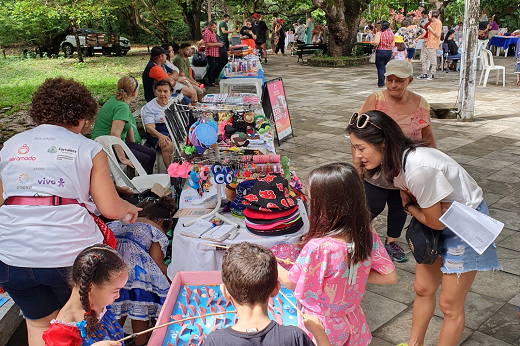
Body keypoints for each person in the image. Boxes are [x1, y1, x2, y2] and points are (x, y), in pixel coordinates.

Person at [0, 78, 139, 346]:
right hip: (68, 257)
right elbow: (110, 208)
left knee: (39, 326)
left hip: (11, 256)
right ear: (82, 117)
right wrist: (129, 208)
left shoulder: (10, 146)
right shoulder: (88, 148)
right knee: (76, 326)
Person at [346, 110, 501, 346]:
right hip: (433, 215)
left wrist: (409, 206)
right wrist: (412, 204)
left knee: (449, 305)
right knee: (422, 289)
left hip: (464, 224)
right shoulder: (395, 161)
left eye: (361, 148)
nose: (357, 156)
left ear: (384, 144)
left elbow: (434, 219)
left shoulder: (418, 167)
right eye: (353, 148)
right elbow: (408, 195)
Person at [277, 163, 397, 346]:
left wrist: (270, 261)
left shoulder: (318, 247)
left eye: (312, 201)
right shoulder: (366, 232)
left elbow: (291, 282)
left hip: (319, 327)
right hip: (353, 321)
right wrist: (351, 276)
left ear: (326, 205)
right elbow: (389, 276)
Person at [357, 59, 436, 262]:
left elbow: (427, 137)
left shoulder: (421, 104)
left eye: (398, 81)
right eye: (389, 80)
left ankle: (392, 243)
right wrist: (357, 162)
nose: (392, 85)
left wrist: (434, 165)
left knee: (400, 207)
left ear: (409, 81)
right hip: (377, 168)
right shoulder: (375, 100)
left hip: (407, 169)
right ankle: (358, 239)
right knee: (370, 206)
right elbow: (357, 132)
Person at [204, 242, 332, 346]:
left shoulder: (215, 341)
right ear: (276, 289)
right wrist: (319, 332)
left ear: (225, 292)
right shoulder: (294, 337)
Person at [109, 196, 175, 346]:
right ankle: (141, 342)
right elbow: (157, 264)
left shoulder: (116, 223)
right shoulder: (155, 229)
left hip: (111, 272)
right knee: (140, 312)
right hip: (137, 277)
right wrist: (174, 279)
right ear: (160, 221)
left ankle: (115, 341)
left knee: (117, 311)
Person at [42, 245, 127, 346]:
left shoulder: (100, 305)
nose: (118, 296)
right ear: (90, 287)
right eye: (115, 291)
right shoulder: (62, 331)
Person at [91, 76, 156, 174]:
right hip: (107, 147)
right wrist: (122, 158)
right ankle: (145, 187)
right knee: (146, 159)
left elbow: (128, 124)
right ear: (134, 92)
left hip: (116, 143)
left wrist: (134, 145)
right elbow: (115, 134)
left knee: (151, 153)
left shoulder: (118, 101)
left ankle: (145, 181)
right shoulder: (121, 106)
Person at [141, 80, 181, 168]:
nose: (162, 94)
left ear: (171, 93)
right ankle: (172, 174)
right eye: (159, 91)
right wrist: (160, 136)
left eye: (165, 91)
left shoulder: (174, 103)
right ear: (155, 92)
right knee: (166, 144)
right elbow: (149, 128)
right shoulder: (150, 107)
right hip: (157, 131)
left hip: (173, 128)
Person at [418, 9, 442, 80]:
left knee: (433, 60)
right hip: (427, 43)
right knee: (423, 59)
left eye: (430, 13)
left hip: (433, 44)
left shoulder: (438, 23)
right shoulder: (431, 22)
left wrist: (430, 29)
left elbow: (438, 34)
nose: (428, 14)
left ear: (434, 14)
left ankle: (432, 74)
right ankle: (424, 73)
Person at [371, 21, 394, 87]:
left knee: (380, 67)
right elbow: (392, 44)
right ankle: (385, 80)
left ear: (381, 26)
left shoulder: (379, 33)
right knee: (384, 67)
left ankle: (381, 83)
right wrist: (392, 51)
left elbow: (376, 42)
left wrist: (372, 42)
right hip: (388, 51)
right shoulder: (391, 34)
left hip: (381, 51)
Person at [203, 21, 224, 87]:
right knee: (211, 67)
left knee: (215, 67)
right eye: (213, 27)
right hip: (210, 53)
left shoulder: (213, 32)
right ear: (209, 26)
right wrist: (217, 44)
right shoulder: (207, 33)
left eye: (215, 27)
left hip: (215, 52)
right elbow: (207, 44)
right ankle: (211, 82)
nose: (214, 28)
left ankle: (214, 80)